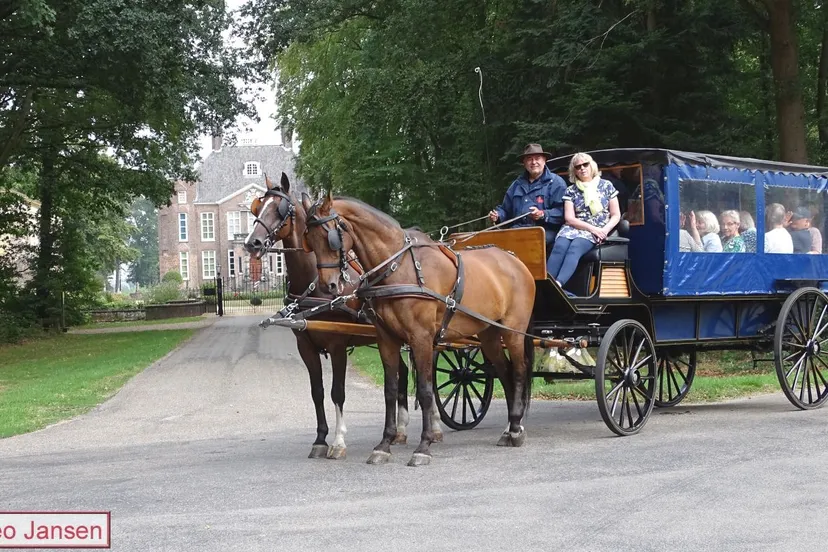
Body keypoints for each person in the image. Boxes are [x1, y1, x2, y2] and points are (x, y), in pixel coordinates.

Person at [546, 152, 620, 288]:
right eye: (578, 166)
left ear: (592, 165)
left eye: (585, 164)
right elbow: (569, 218)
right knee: (559, 247)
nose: (582, 168)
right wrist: (592, 229)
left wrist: (604, 230)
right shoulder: (571, 190)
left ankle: (558, 285)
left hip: (597, 229)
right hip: (574, 226)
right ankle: (545, 283)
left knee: (575, 247)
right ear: (574, 171)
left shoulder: (606, 185)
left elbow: (616, 215)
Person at [489, 143, 567, 254]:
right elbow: (505, 210)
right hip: (517, 230)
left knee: (526, 244)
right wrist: (498, 215)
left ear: (544, 160)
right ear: (524, 163)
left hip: (544, 231)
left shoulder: (556, 183)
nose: (534, 162)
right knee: (493, 245)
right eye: (529, 159)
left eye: (537, 158)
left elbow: (562, 212)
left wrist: (542, 214)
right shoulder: (516, 184)